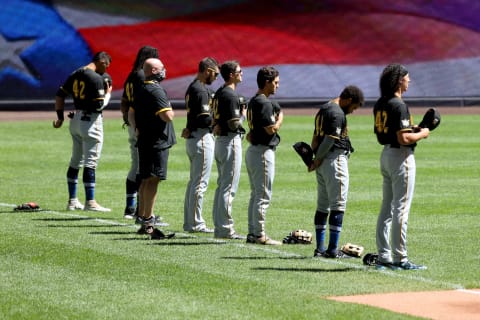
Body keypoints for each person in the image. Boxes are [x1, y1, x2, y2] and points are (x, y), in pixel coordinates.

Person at [373, 63, 430, 270]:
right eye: (407, 77)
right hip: (401, 157)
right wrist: (422, 134)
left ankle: (384, 256)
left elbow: (391, 131)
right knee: (401, 209)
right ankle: (401, 258)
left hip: (386, 155)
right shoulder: (398, 104)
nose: (409, 80)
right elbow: (404, 137)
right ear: (399, 80)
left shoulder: (381, 102)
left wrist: (413, 128)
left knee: (386, 208)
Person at [309, 86, 364, 258]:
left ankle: (320, 248)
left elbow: (315, 138)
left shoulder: (325, 108)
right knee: (338, 205)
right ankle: (332, 250)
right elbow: (329, 139)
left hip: (323, 161)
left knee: (322, 205)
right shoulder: (337, 112)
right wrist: (318, 158)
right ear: (347, 100)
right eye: (353, 107)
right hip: (334, 160)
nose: (353, 111)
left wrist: (315, 158)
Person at [53, 51, 113, 212]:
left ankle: (72, 200)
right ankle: (90, 202)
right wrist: (108, 95)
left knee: (75, 160)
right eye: (106, 65)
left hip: (76, 119)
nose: (106, 69)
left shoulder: (76, 73)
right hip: (91, 121)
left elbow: (60, 95)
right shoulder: (95, 78)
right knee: (90, 162)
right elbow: (99, 105)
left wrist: (60, 117)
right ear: (101, 61)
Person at [119, 45, 168, 227]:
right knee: (145, 171)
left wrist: (129, 121)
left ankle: (134, 208)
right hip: (144, 127)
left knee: (138, 166)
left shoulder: (132, 75)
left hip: (135, 124)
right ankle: (139, 211)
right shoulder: (143, 77)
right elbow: (143, 101)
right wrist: (138, 124)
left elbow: (125, 103)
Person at [129, 58, 176, 239]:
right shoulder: (156, 89)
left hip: (144, 139)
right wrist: (169, 107)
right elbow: (168, 116)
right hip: (157, 141)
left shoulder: (140, 87)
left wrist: (135, 129)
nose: (165, 71)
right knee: (153, 179)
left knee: (145, 178)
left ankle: (142, 218)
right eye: (162, 68)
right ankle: (148, 220)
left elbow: (131, 112)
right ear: (155, 70)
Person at [244, 66, 283, 245]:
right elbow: (271, 129)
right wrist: (281, 117)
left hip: (253, 150)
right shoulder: (265, 103)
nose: (277, 86)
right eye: (275, 82)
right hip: (262, 152)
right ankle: (259, 234)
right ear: (266, 82)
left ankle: (253, 232)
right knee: (263, 194)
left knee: (256, 194)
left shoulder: (254, 100)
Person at [181, 57, 219, 233]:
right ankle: (196, 223)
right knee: (199, 184)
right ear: (208, 70)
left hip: (194, 137)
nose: (216, 77)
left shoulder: (193, 86)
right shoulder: (200, 89)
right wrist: (219, 120)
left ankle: (190, 222)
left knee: (194, 182)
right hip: (202, 138)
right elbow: (204, 118)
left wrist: (189, 127)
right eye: (215, 73)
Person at [211, 61, 246, 239]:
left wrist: (217, 124)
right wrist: (244, 115)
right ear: (231, 74)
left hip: (221, 141)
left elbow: (213, 117)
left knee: (222, 185)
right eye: (239, 71)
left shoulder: (219, 92)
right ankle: (225, 228)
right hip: (230, 141)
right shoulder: (230, 95)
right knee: (229, 186)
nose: (242, 73)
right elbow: (234, 123)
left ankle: (219, 226)